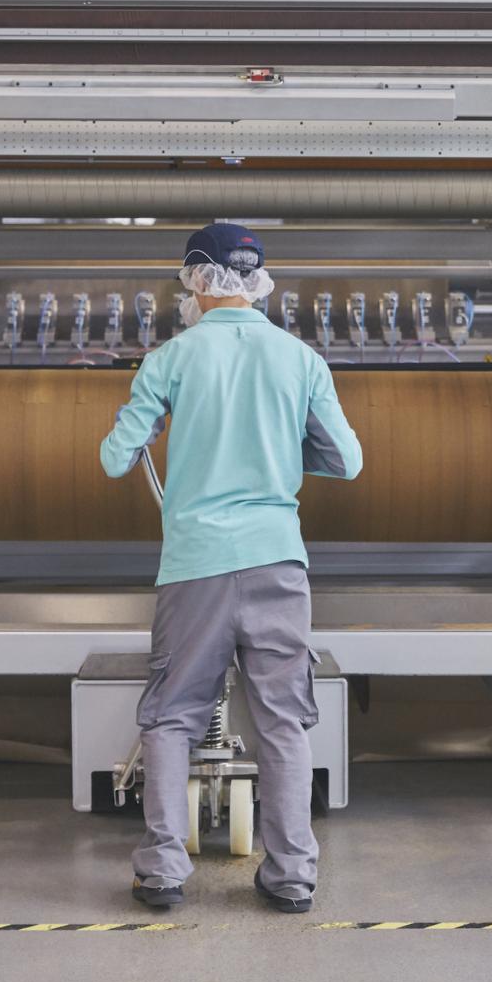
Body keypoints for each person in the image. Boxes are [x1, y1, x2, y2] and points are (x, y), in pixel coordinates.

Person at [99, 222, 363, 914]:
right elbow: (348, 460)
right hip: (279, 562)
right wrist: (274, 453)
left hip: (196, 568)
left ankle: (161, 870)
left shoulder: (170, 359)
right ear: (254, 281)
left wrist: (163, 433)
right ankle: (292, 874)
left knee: (172, 717)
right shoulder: (300, 359)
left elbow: (113, 458)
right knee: (282, 721)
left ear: (195, 278)